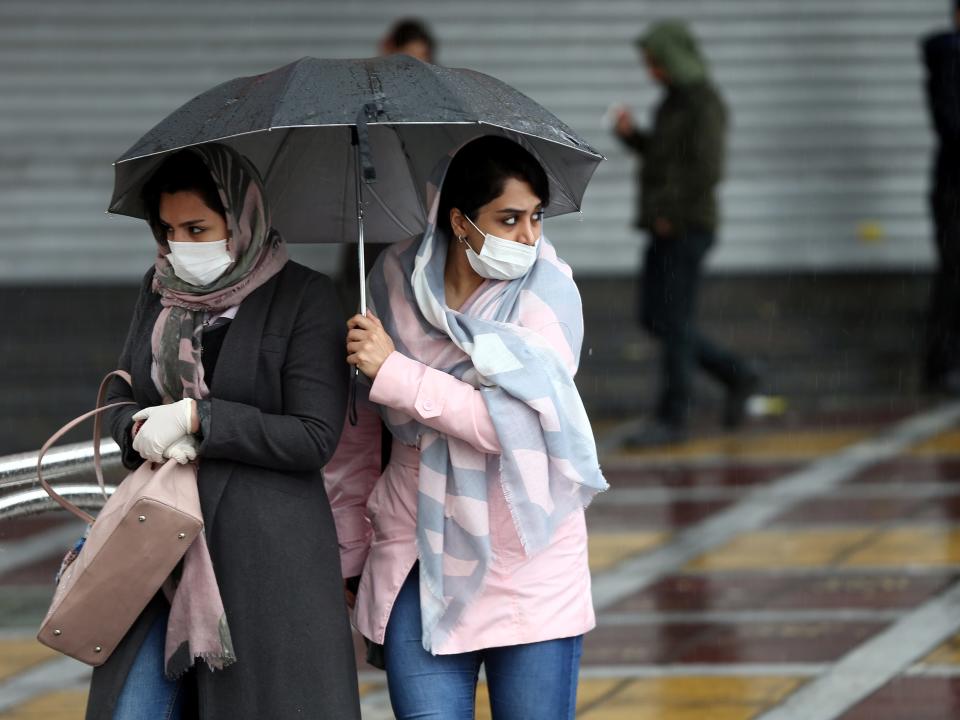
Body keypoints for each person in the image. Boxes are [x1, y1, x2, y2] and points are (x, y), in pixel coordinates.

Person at [324, 135, 607, 719]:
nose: (529, 237)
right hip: (414, 554)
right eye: (509, 219)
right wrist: (349, 551)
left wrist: (396, 372)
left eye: (535, 218)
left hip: (526, 559)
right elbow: (356, 434)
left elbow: (513, 426)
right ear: (458, 220)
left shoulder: (547, 295)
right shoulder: (392, 280)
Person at [86, 144, 360, 719]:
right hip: (155, 545)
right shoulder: (158, 291)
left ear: (240, 220)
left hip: (266, 561)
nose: (182, 246)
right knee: (130, 709)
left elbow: (313, 436)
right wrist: (136, 428)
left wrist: (198, 419)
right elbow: (120, 394)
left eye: (198, 228)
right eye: (168, 230)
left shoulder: (303, 297)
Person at [612, 20, 759, 446]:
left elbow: (707, 170)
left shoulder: (703, 103)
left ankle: (673, 418)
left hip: (687, 227)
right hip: (666, 226)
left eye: (655, 63)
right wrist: (634, 137)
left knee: (674, 322)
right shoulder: (673, 102)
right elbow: (665, 160)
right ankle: (738, 374)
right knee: (656, 318)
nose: (651, 72)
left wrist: (672, 215)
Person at [336, 17, 439, 317]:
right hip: (368, 205)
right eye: (403, 60)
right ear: (386, 49)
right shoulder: (361, 95)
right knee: (360, 289)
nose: (409, 71)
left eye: (419, 62)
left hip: (412, 209)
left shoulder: (433, 101)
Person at [921, 2, 960, 394]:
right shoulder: (950, 59)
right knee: (954, 274)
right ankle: (942, 364)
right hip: (955, 190)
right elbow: (952, 125)